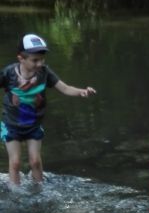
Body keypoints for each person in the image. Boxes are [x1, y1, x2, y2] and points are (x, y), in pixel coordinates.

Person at [0, 33, 96, 187]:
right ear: (21, 59)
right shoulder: (8, 73)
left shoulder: (45, 73)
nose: (39, 63)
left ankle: (39, 190)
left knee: (35, 161)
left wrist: (82, 92)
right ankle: (15, 193)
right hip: (11, 125)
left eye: (42, 59)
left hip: (33, 125)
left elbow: (64, 88)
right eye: (35, 60)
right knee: (16, 162)